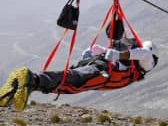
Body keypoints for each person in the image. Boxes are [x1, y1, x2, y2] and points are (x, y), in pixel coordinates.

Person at [0, 40, 159, 111]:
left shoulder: (133, 65)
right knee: (72, 80)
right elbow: (142, 53)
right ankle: (30, 78)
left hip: (100, 72)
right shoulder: (147, 58)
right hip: (101, 72)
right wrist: (117, 55)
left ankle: (19, 87)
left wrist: (105, 53)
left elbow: (130, 54)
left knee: (70, 85)